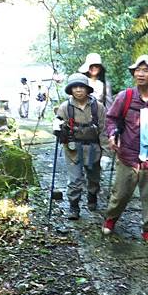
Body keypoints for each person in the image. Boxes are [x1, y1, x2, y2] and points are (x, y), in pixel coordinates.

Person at [102, 55, 148, 244]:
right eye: (137, 70)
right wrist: (112, 134)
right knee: (120, 193)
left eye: (145, 70)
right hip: (127, 155)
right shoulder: (125, 97)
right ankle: (111, 218)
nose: (140, 74)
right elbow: (111, 119)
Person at [53, 73, 112, 220]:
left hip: (94, 148)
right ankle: (74, 206)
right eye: (75, 87)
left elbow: (104, 131)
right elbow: (58, 128)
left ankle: (92, 196)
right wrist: (57, 129)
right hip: (73, 149)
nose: (78, 90)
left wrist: (106, 154)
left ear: (87, 89)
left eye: (81, 87)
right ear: (70, 90)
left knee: (94, 178)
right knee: (75, 179)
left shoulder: (98, 107)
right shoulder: (65, 107)